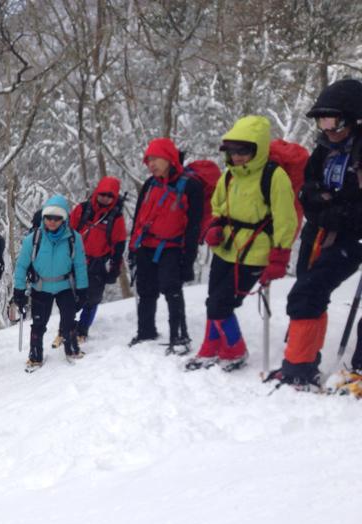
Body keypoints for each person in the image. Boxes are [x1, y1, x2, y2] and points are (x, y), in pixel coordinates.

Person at [268, 78, 362, 388]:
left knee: (307, 292)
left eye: (334, 121)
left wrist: (340, 211)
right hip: (318, 232)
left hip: (351, 237)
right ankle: (300, 364)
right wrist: (320, 205)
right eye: (322, 121)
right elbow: (307, 190)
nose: (328, 129)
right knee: (309, 294)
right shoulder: (325, 150)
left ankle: (302, 367)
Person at [186, 115, 298, 371]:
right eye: (232, 151)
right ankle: (211, 347)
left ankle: (236, 350)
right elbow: (218, 206)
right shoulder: (229, 175)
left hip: (255, 252)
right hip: (226, 247)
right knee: (213, 300)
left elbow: (285, 218)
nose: (237, 156)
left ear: (257, 149)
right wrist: (214, 226)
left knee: (220, 304)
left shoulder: (274, 176)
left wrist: (279, 256)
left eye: (243, 150)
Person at [129, 137, 204, 354]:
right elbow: (138, 217)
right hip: (146, 245)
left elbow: (193, 226)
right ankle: (146, 331)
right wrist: (133, 247)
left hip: (172, 247)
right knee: (145, 290)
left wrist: (188, 258)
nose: (151, 164)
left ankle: (179, 336)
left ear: (170, 158)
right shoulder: (149, 184)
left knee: (172, 290)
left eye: (156, 158)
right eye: (148, 159)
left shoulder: (190, 186)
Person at [11, 195, 89, 367]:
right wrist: (19, 290)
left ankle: (72, 348)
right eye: (48, 217)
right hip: (41, 287)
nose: (52, 222)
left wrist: (83, 289)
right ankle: (35, 355)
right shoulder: (33, 239)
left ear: (64, 219)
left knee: (69, 319)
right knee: (39, 323)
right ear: (43, 217)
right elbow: (22, 266)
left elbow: (80, 266)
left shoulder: (74, 239)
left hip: (65, 286)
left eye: (57, 218)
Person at [68, 176, 127, 342]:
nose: (105, 198)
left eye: (110, 196)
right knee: (70, 297)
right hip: (76, 260)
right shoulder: (83, 209)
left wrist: (114, 269)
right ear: (97, 192)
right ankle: (68, 326)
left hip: (98, 262)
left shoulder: (116, 217)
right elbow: (68, 230)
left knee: (93, 298)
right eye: (103, 194)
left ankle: (82, 330)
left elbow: (119, 245)